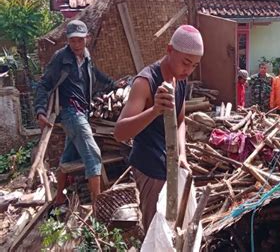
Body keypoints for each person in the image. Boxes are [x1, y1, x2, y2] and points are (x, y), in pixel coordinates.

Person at [114, 25, 203, 234]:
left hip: (172, 165)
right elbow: (119, 133)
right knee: (156, 232)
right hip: (150, 168)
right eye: (186, 63)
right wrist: (154, 110)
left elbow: (181, 120)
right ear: (169, 50)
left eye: (194, 66)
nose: (188, 70)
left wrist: (183, 154)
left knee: (175, 229)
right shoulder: (145, 82)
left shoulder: (180, 80)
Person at [34, 20, 124, 208]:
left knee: (68, 157)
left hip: (83, 111)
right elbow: (43, 84)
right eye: (73, 41)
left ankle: (59, 197)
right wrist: (40, 110)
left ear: (87, 40)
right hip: (70, 113)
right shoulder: (61, 58)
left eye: (80, 41)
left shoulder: (86, 57)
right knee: (93, 155)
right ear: (68, 41)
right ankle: (98, 207)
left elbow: (95, 73)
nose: (76, 45)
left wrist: (114, 84)